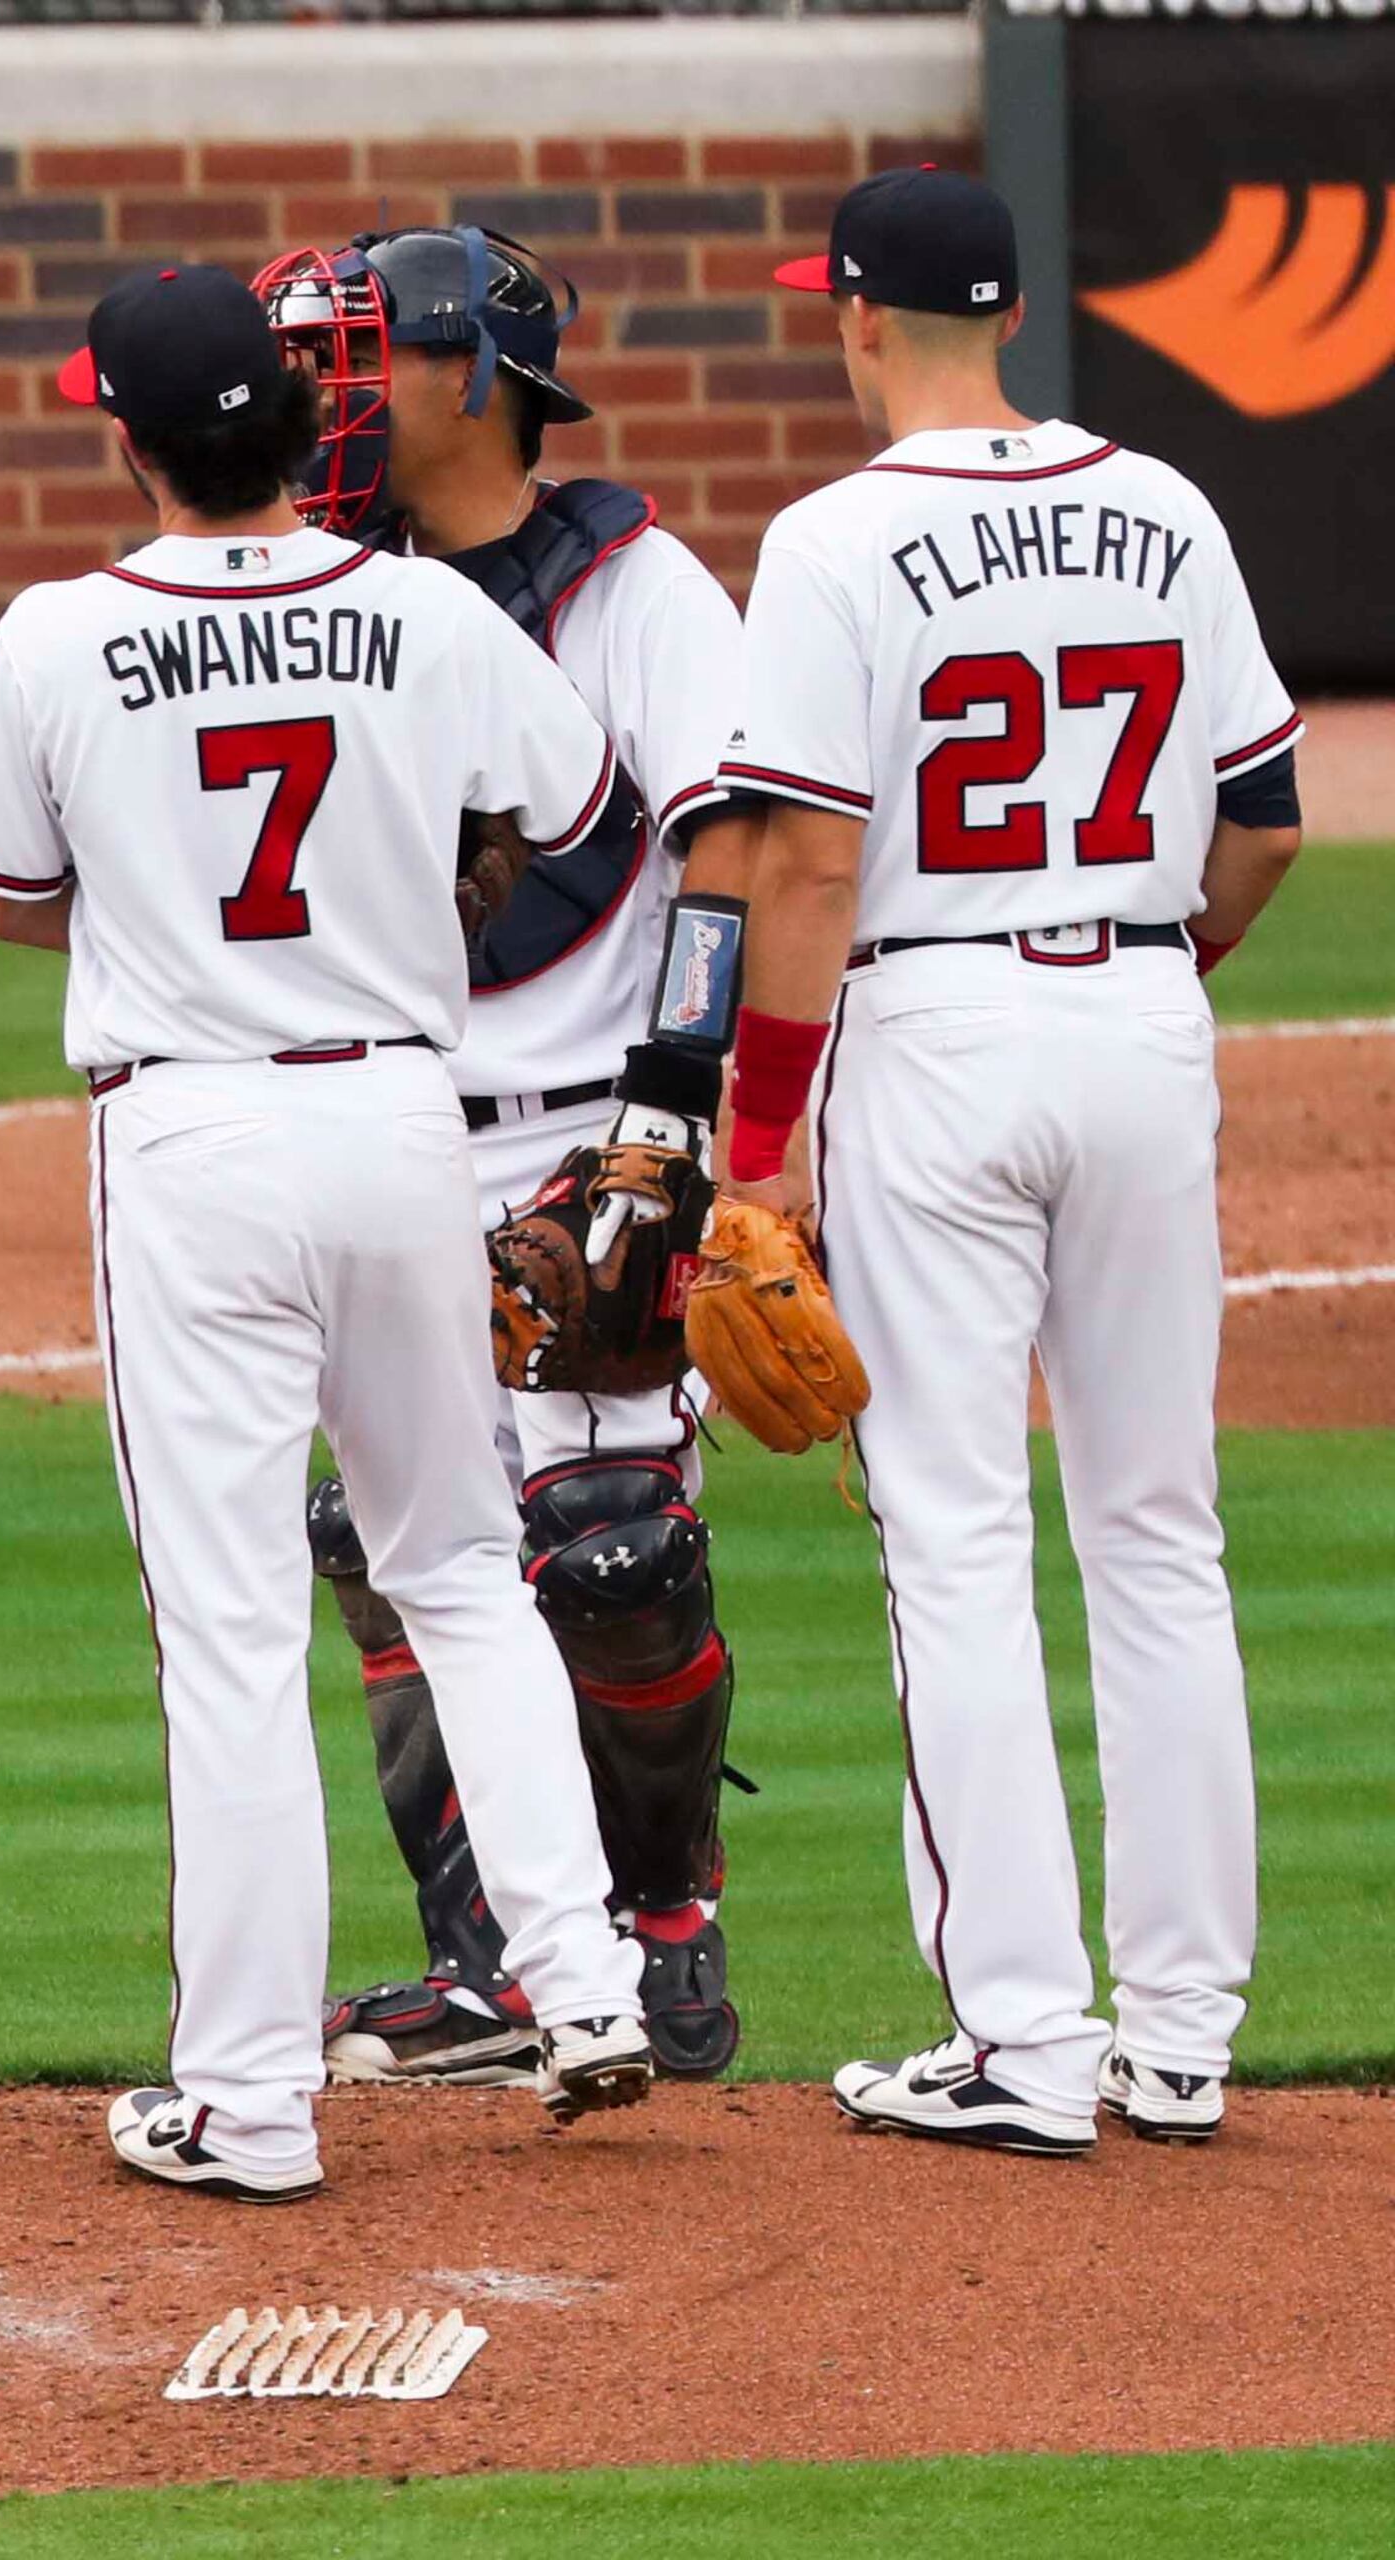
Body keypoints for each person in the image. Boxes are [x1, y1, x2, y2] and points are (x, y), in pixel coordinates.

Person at [0, 265, 655, 2203]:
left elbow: (14, 897)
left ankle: (249, 2100)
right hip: (403, 1114)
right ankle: (583, 1982)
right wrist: (429, 855)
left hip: (196, 1132)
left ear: (129, 435)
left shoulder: (64, 630)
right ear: (285, 417)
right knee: (465, 1558)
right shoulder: (417, 603)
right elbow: (583, 803)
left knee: (236, 1619)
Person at [716, 168, 1302, 2156]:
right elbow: (1271, 821)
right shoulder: (1169, 505)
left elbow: (801, 860)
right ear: (1014, 315)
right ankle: (1188, 2034)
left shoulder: (831, 541)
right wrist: (1156, 969)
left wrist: (760, 1141)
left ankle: (1027, 2044)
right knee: (1159, 1529)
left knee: (957, 1537)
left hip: (936, 1033)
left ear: (860, 320)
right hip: (1144, 1021)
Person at [257, 225, 762, 2086]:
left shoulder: (633, 589)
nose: (326, 400)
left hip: (582, 1143)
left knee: (613, 1557)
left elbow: (727, 842)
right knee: (382, 1548)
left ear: (475, 376)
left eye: (359, 363)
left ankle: (667, 1929)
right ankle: (489, 1959)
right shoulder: (320, 588)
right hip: (385, 1130)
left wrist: (673, 1106)